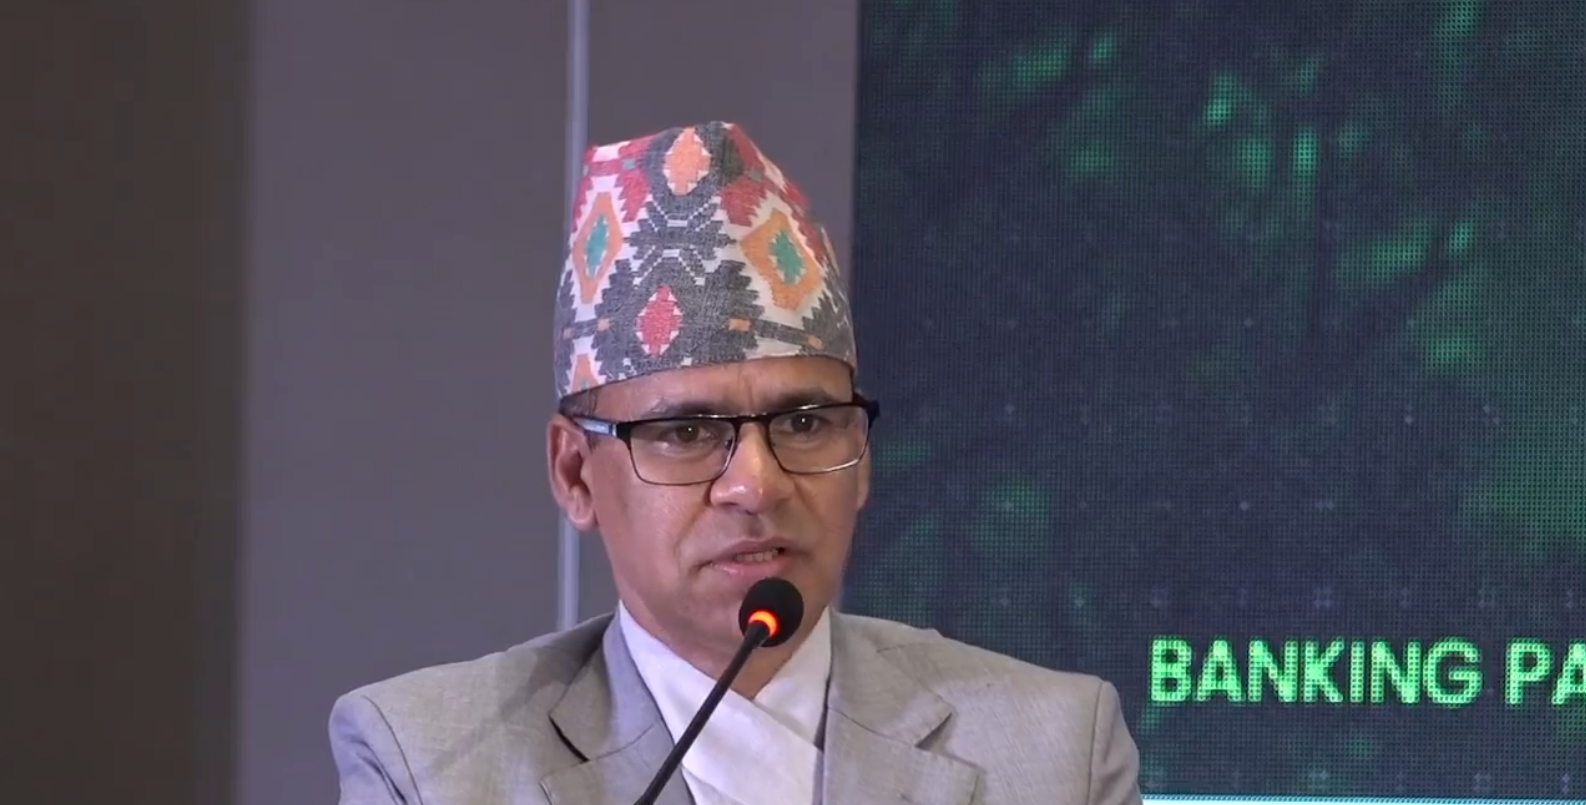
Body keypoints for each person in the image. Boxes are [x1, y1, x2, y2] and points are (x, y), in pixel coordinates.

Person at [328, 121, 1143, 805]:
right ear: (576, 473)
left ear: (862, 461)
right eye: (686, 431)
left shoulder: (1055, 752)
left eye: (804, 422)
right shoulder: (432, 764)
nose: (757, 483)